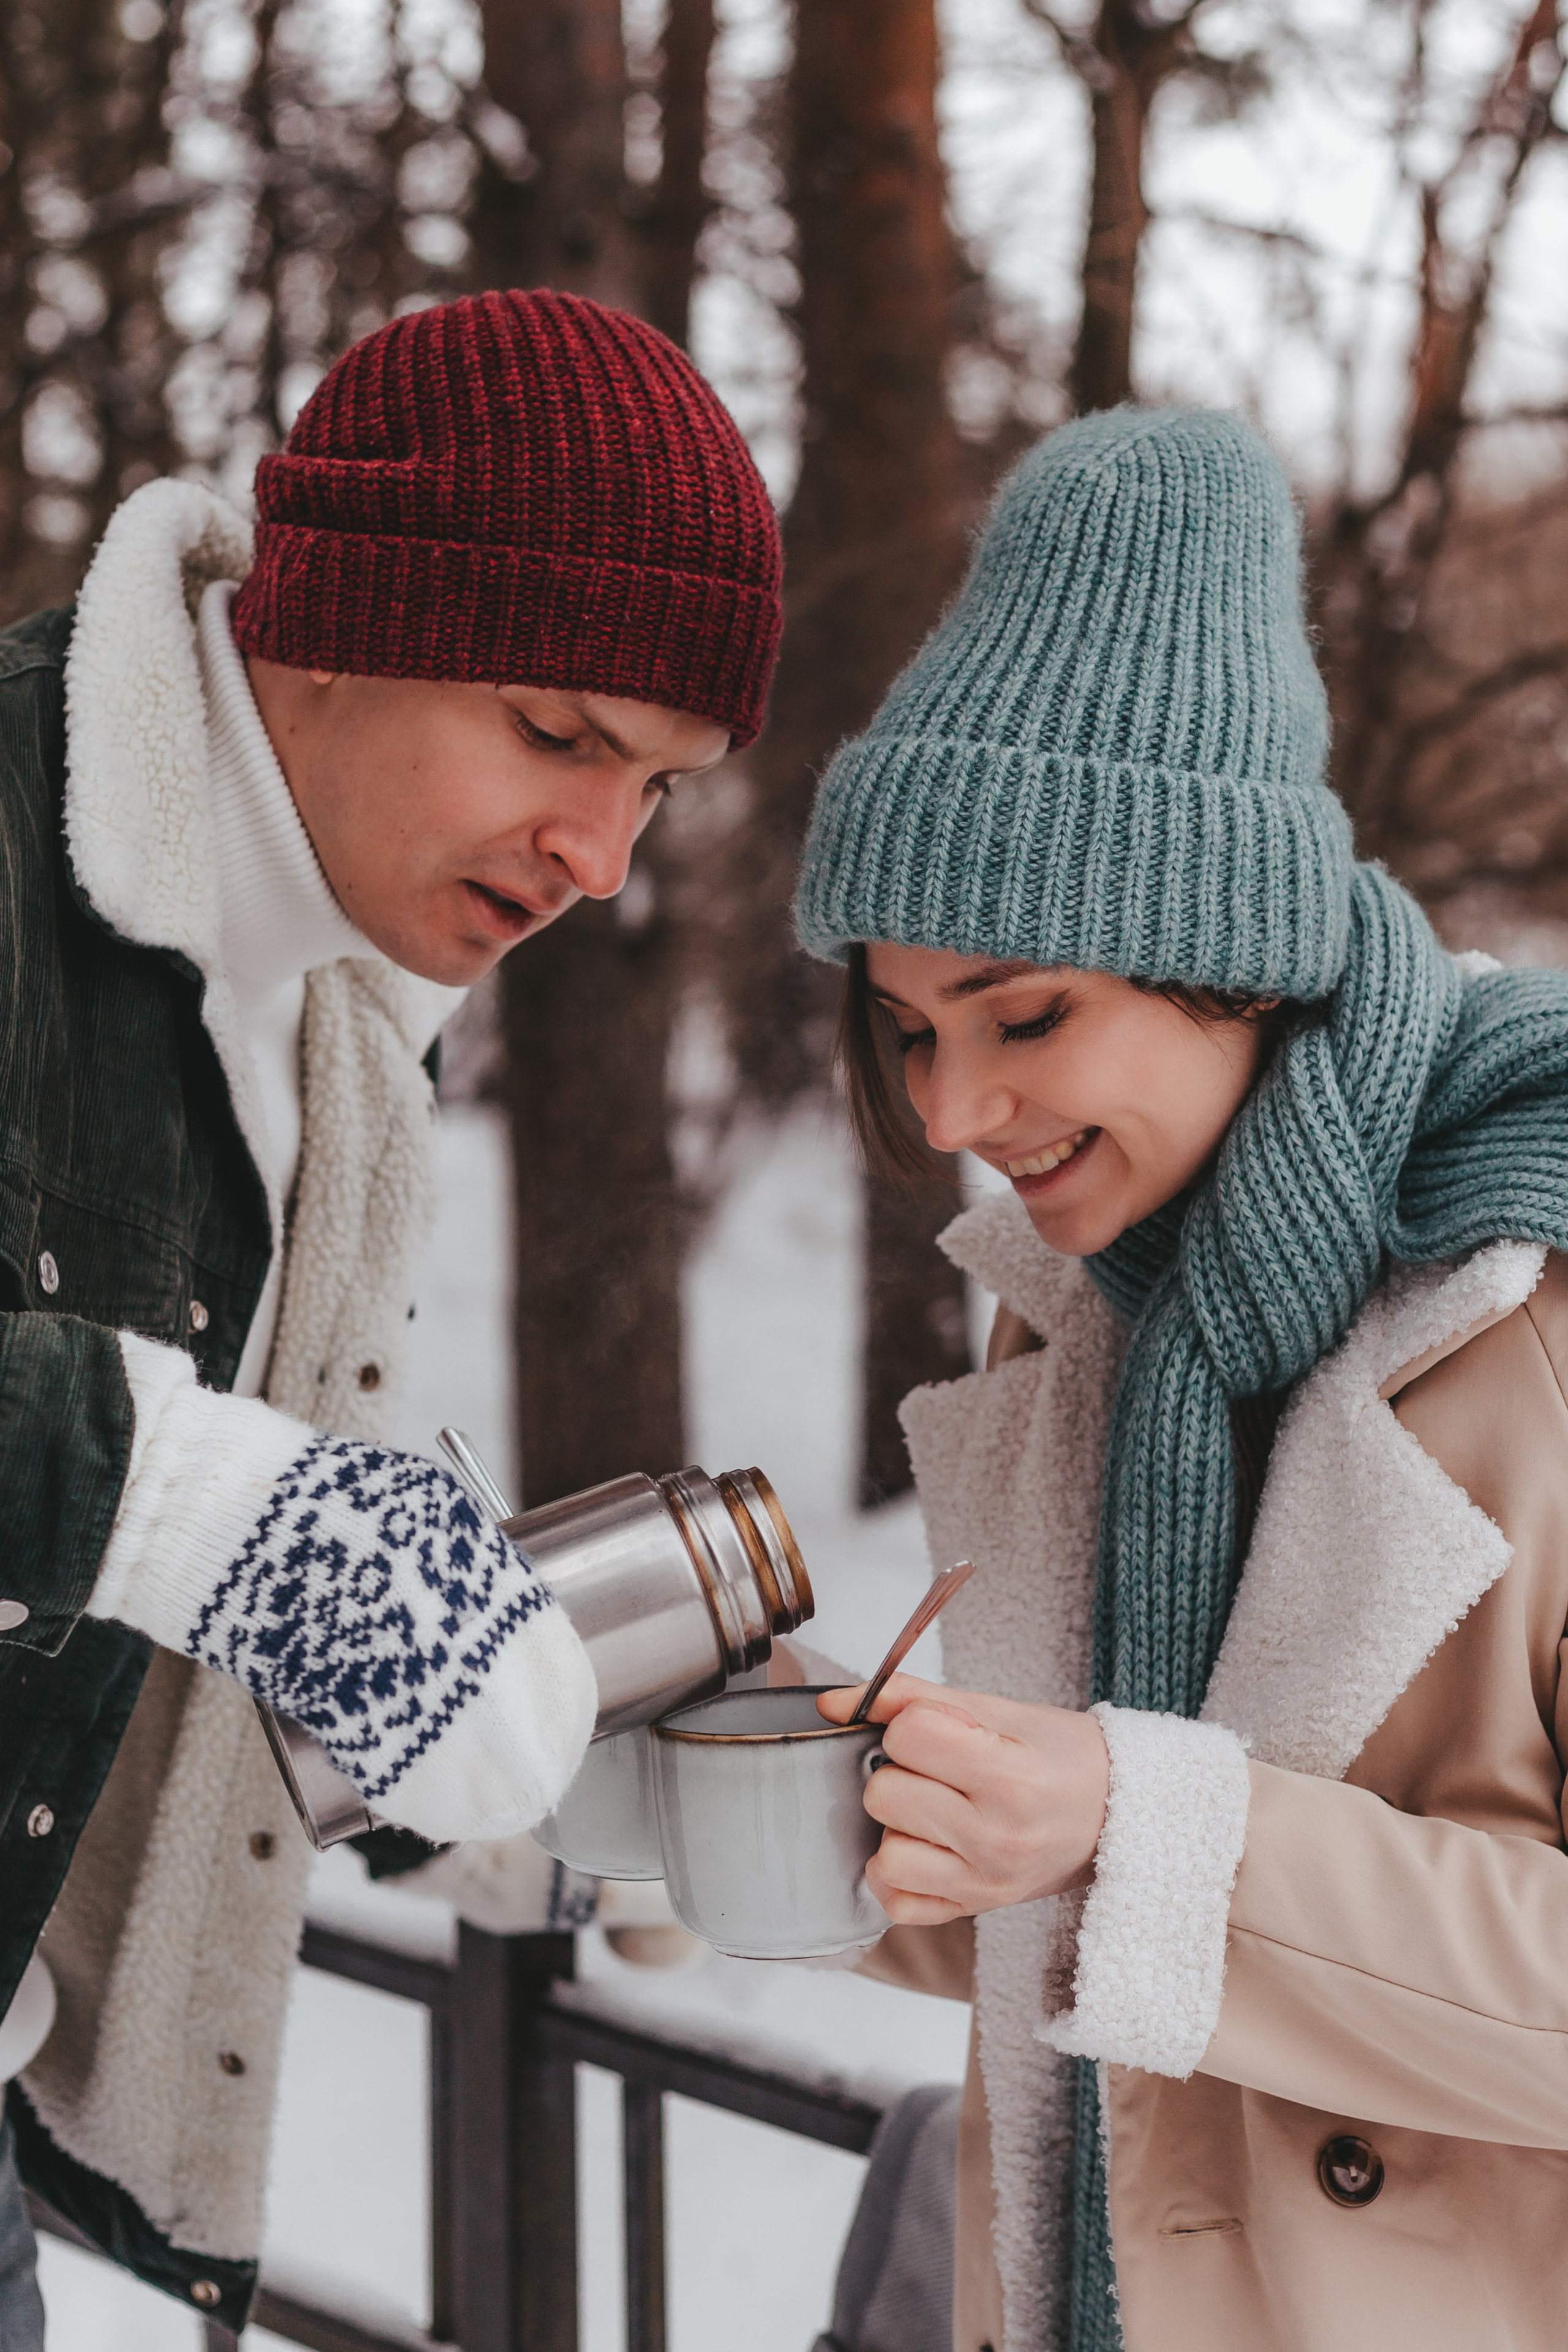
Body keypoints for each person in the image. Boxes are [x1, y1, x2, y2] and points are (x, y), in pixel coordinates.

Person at [0, 286, 782, 2338]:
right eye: (558, 735)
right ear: (332, 619)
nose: (600, 857)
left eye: (659, 787)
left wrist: (480, 1807)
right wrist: (247, 1528)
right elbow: (206, 1504)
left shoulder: (347, 1008)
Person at [793, 405, 1568, 2352]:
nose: (951, 1113)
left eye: (1025, 1015)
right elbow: (1096, 1966)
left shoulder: (1537, 1310)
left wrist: (1145, 1829)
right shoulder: (1078, 1309)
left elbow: (1160, 1874)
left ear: (1236, 952)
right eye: (908, 1030)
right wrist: (786, 1799)